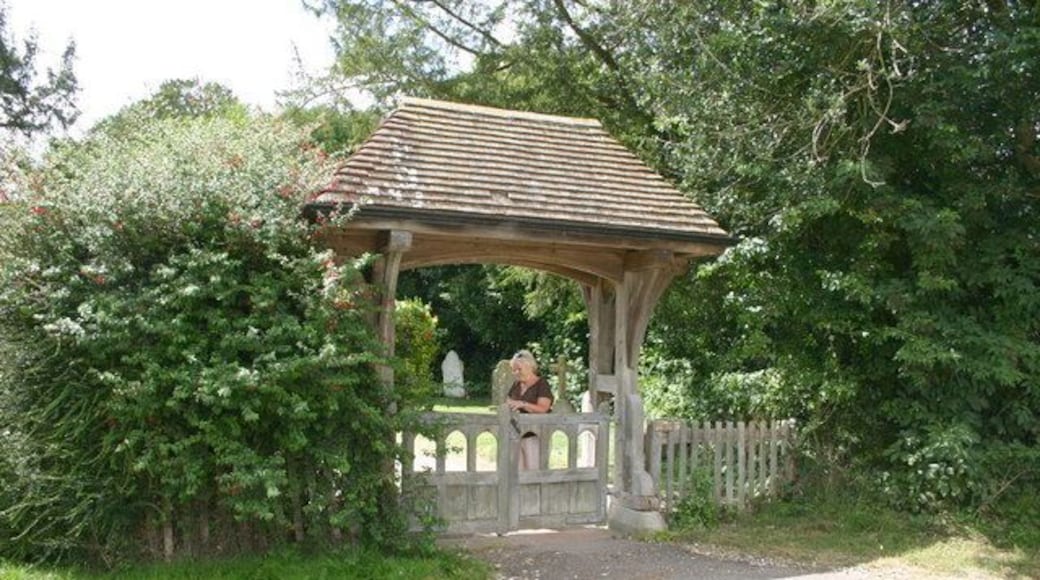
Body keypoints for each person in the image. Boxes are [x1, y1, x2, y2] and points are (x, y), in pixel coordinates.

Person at [506, 349, 553, 470]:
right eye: (514, 369)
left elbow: (543, 409)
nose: (515, 372)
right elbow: (509, 402)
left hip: (535, 435)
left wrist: (523, 404)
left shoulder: (542, 384)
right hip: (516, 434)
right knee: (516, 473)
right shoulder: (516, 384)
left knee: (533, 471)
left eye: (519, 369)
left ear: (529, 366)